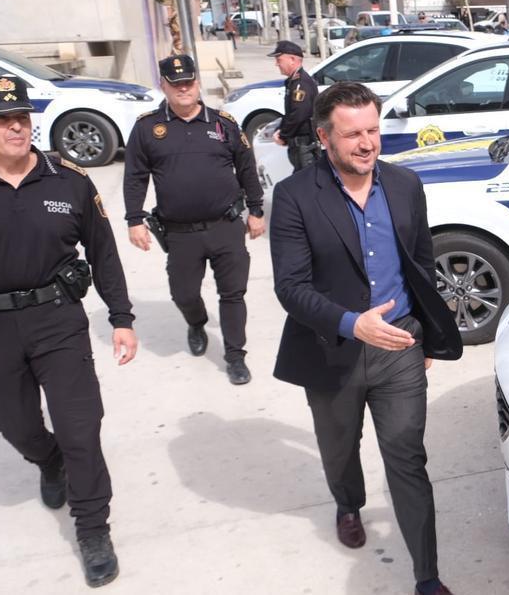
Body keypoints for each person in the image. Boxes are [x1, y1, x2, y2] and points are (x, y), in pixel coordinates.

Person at [269, 81, 463, 595]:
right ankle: (347, 504)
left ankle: (427, 576)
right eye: (352, 133)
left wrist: (423, 337)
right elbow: (290, 287)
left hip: (399, 345)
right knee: (339, 449)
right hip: (332, 350)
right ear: (324, 137)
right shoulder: (294, 197)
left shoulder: (404, 186)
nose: (367, 143)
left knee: (407, 456)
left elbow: (420, 265)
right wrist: (351, 323)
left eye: (373, 130)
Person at [0, 76, 139, 588]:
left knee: (80, 428)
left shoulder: (68, 179)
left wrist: (121, 318)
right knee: (14, 424)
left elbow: (103, 251)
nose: (16, 126)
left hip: (58, 320)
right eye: (2, 119)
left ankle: (92, 526)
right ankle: (46, 458)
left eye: (22, 117)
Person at [123, 55, 265, 385]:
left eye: (188, 82)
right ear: (164, 86)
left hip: (226, 226)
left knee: (233, 294)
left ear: (197, 83)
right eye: (176, 84)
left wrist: (256, 210)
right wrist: (133, 219)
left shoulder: (224, 124)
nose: (183, 89)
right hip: (180, 233)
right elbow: (134, 177)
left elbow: (247, 168)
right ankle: (197, 322)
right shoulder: (148, 128)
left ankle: (235, 356)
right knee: (183, 293)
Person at [269, 40, 321, 171]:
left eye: (279, 59)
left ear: (292, 59)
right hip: (299, 146)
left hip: (305, 145)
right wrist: (281, 129)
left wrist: (283, 135)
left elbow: (299, 114)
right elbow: (291, 113)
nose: (276, 64)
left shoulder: (301, 83)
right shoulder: (293, 82)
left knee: (307, 184)